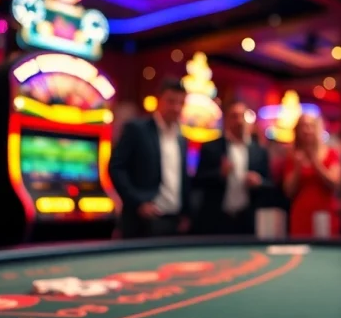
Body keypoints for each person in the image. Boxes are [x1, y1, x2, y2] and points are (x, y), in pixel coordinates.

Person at [109, 78, 191, 238]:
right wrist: (138, 203)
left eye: (181, 103)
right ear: (158, 100)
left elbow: (182, 179)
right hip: (143, 220)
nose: (176, 108)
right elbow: (116, 168)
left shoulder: (182, 138)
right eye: (171, 101)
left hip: (174, 221)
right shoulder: (137, 129)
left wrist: (186, 213)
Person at [194, 100, 270, 234]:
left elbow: (270, 183)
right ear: (227, 120)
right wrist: (220, 173)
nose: (239, 121)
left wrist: (259, 181)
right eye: (234, 116)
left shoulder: (259, 151)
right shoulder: (211, 148)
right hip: (216, 220)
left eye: (242, 116)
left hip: (247, 221)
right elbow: (198, 181)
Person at [283, 113, 341, 236]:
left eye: (310, 126)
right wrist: (298, 168)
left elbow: (334, 183)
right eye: (303, 126)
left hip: (325, 214)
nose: (306, 130)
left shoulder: (332, 153)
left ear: (317, 128)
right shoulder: (292, 156)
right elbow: (288, 191)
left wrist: (315, 162)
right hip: (301, 215)